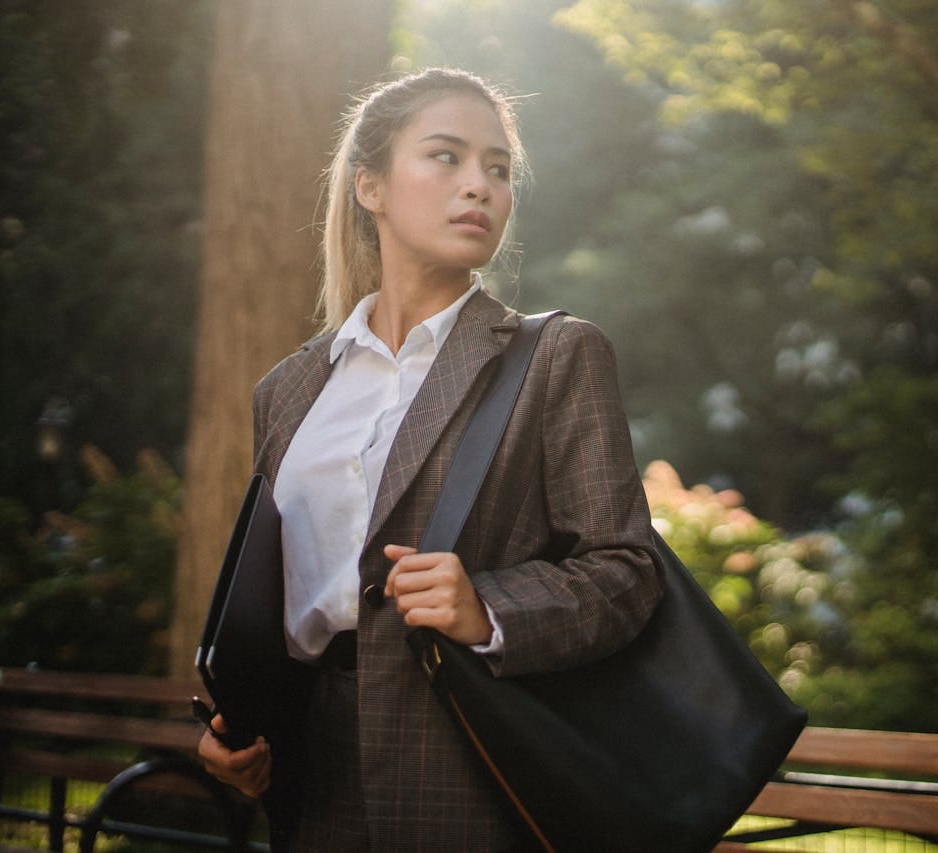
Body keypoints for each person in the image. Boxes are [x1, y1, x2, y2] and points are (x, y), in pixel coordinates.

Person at [196, 67, 662, 851]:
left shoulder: (555, 356)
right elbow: (277, 596)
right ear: (370, 185)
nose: (479, 186)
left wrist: (489, 606)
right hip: (310, 782)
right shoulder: (289, 391)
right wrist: (231, 730)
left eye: (499, 168)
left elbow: (627, 571)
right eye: (446, 156)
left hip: (471, 775)